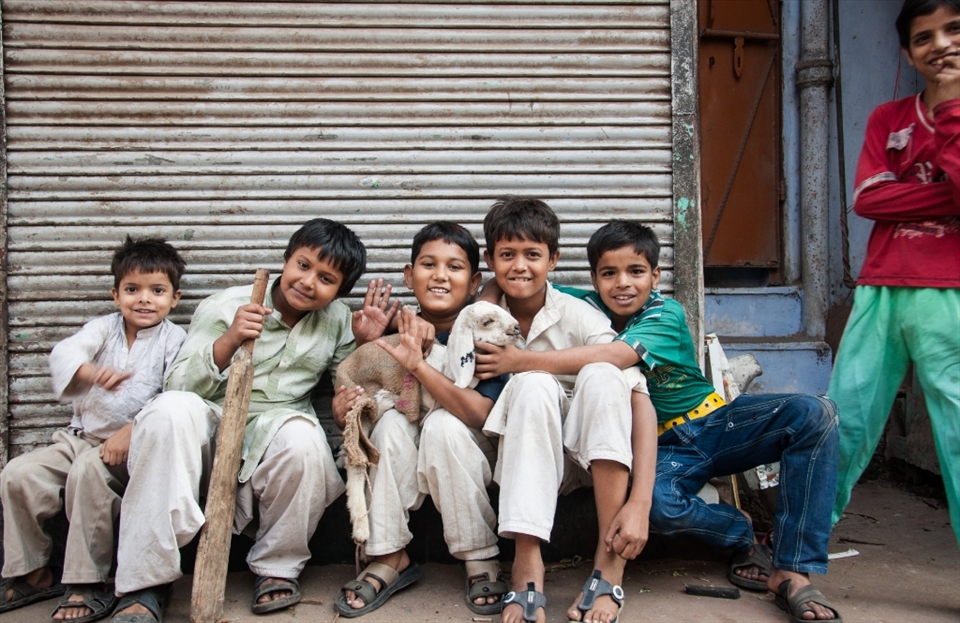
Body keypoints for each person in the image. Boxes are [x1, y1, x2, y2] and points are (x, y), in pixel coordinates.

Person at [479, 220, 843, 623]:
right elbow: (516, 284)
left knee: (814, 414)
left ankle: (792, 568)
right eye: (608, 273)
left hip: (714, 425)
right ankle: (741, 531)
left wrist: (519, 362)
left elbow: (617, 357)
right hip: (662, 446)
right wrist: (490, 293)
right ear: (594, 279)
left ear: (655, 275)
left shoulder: (664, 313)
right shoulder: (585, 307)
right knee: (657, 509)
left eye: (636, 272)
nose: (622, 284)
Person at [108, 219, 382, 622]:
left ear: (339, 291)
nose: (308, 282)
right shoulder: (227, 304)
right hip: (210, 421)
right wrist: (231, 338)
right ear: (287, 259)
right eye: (303, 266)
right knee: (168, 412)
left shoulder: (339, 320)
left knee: (304, 441)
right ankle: (144, 585)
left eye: (326, 279)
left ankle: (276, 569)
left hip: (276, 426)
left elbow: (345, 385)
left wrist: (361, 351)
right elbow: (178, 382)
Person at [467, 196, 636, 623]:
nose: (519, 266)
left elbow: (624, 361)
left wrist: (521, 361)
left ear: (554, 260)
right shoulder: (481, 318)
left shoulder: (576, 314)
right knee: (535, 386)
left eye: (532, 255)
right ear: (490, 260)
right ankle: (527, 563)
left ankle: (608, 560)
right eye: (507, 255)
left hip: (585, 456)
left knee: (602, 373)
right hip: (519, 455)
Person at [0, 236, 186, 622]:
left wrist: (133, 429)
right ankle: (35, 572)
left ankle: (90, 582)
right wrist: (88, 372)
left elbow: (177, 398)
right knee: (18, 475)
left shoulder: (175, 341)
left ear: (175, 298)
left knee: (89, 474)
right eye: (132, 290)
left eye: (157, 291)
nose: (144, 300)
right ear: (115, 295)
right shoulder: (103, 328)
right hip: (80, 439)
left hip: (131, 448)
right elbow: (67, 353)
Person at [830, 0, 960, 547]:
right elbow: (867, 198)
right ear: (907, 53)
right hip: (882, 286)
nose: (941, 45)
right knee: (843, 420)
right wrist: (943, 194)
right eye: (924, 37)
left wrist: (952, 107)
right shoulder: (889, 117)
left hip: (950, 292)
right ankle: (801, 541)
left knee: (956, 430)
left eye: (953, 30)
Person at [333, 221, 512, 618]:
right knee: (392, 425)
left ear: (474, 281)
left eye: (455, 267)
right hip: (407, 455)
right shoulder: (397, 333)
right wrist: (366, 353)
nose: (441, 276)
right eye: (429, 265)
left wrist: (421, 365)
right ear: (409, 276)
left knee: (443, 424)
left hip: (468, 452)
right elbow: (360, 399)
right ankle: (389, 554)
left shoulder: (485, 331)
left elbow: (479, 414)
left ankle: (480, 555)